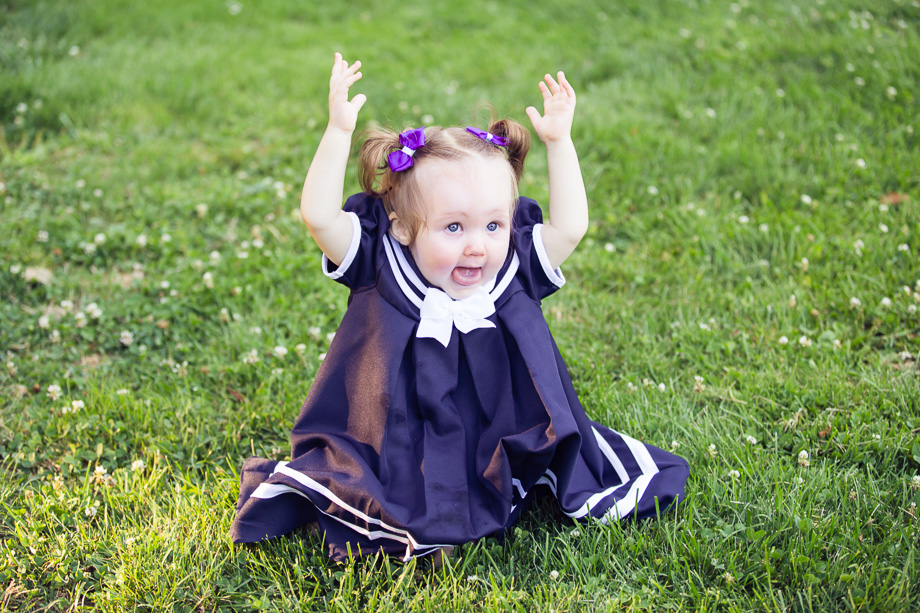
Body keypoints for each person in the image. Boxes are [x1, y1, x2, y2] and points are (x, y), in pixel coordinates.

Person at [230, 53, 689, 562]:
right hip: (394, 436)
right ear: (403, 226)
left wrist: (559, 143)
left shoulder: (514, 263)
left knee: (536, 460)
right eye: (453, 227)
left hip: (494, 434)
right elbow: (319, 216)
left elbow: (570, 228)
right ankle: (419, 524)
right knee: (392, 487)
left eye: (493, 225)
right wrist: (339, 131)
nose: (477, 246)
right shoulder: (379, 258)